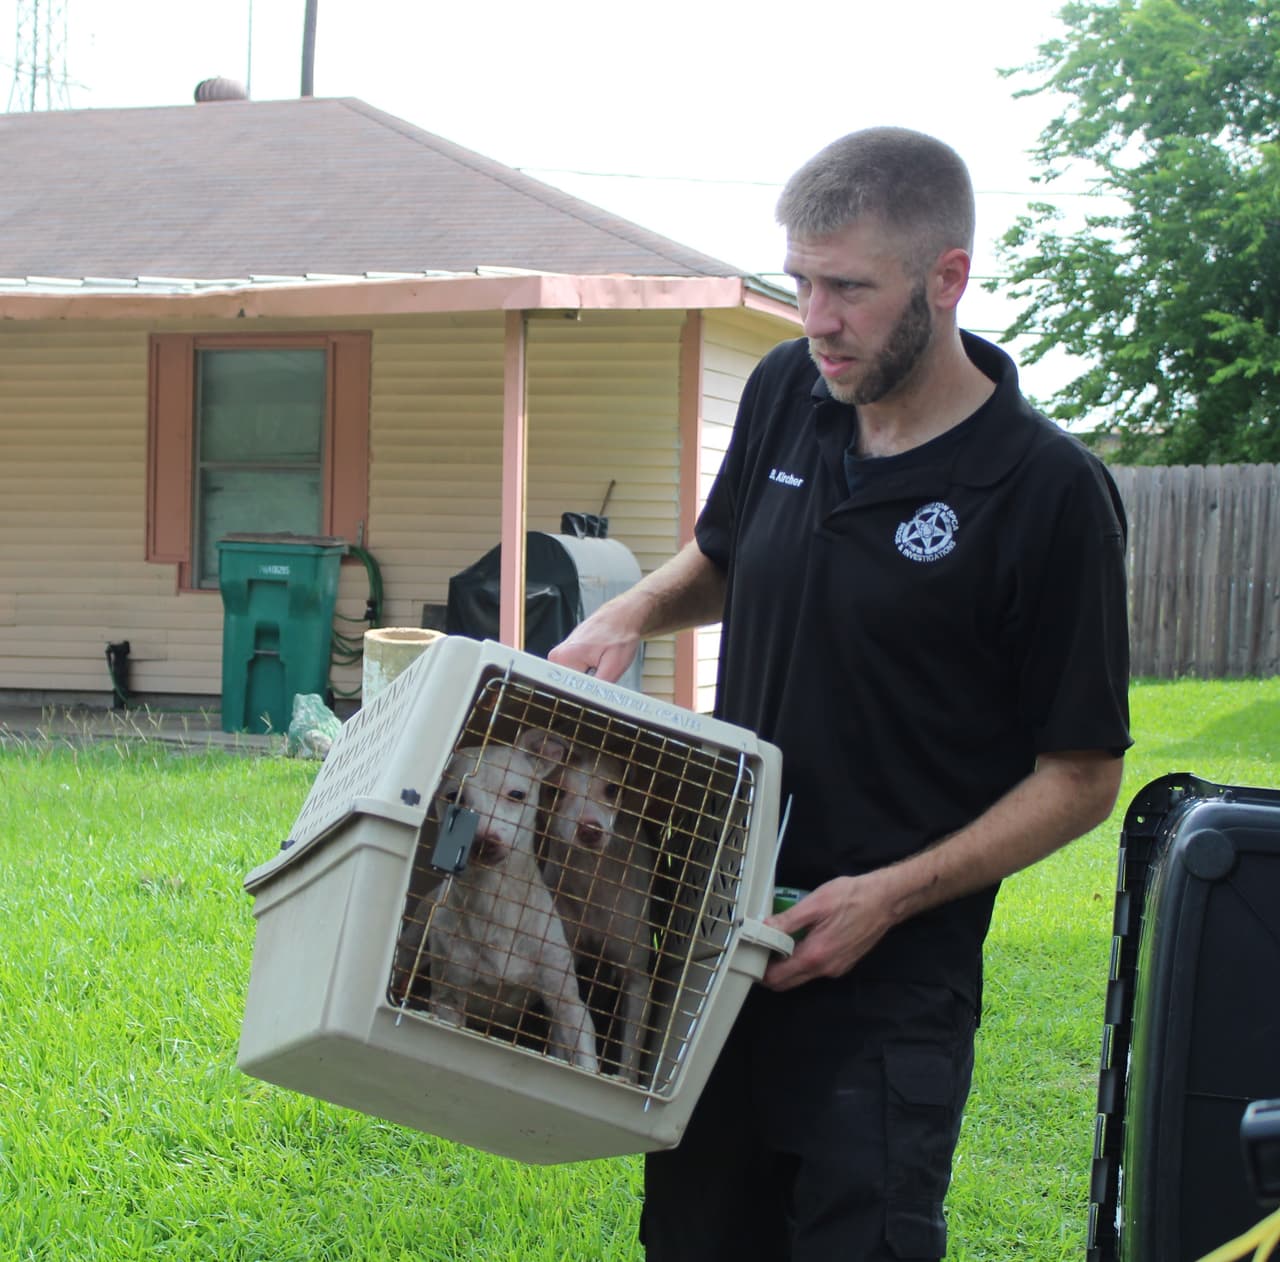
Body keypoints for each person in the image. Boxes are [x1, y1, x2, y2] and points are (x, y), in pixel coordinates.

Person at [548, 127, 1131, 1262]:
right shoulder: (787, 390)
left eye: (849, 289)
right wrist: (628, 612)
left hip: (887, 984)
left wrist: (888, 898)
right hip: (716, 938)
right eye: (801, 281)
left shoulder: (1047, 492)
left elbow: (1080, 775)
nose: (816, 318)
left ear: (946, 278)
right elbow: (728, 552)